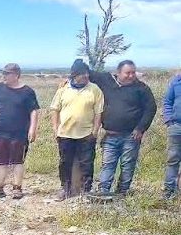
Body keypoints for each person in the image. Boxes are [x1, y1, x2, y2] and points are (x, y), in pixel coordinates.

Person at [88, 60, 157, 195]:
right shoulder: (107, 81)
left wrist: (141, 128)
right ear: (118, 73)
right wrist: (69, 82)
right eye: (127, 73)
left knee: (127, 165)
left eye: (133, 72)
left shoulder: (141, 89)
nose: (131, 75)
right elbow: (86, 73)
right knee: (108, 164)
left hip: (131, 135)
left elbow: (151, 108)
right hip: (110, 134)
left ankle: (122, 193)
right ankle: (103, 191)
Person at [0, 63, 40, 199]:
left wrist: (33, 128)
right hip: (1, 132)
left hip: (20, 133)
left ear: (16, 75)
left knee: (18, 161)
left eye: (7, 73)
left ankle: (17, 188)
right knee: (0, 161)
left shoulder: (27, 92)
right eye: (3, 73)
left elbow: (33, 111)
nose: (4, 76)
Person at [50, 59, 104, 201]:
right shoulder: (63, 89)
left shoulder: (95, 89)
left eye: (87, 73)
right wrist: (55, 128)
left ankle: (86, 191)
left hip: (86, 134)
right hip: (65, 133)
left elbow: (99, 112)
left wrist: (95, 130)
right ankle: (65, 189)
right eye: (82, 74)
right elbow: (55, 109)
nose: (85, 76)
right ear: (74, 75)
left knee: (87, 163)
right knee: (64, 163)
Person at [162, 70, 181, 199]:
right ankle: (169, 191)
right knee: (173, 160)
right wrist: (169, 120)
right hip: (176, 127)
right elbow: (167, 102)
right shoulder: (176, 82)